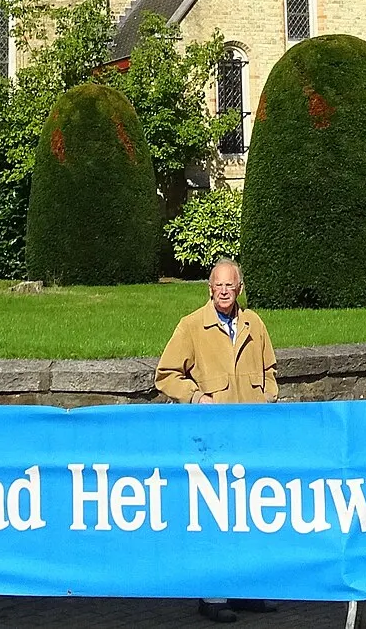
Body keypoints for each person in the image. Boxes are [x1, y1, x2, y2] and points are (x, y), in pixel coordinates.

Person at [155, 259, 278, 624]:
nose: (224, 291)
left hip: (249, 436)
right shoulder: (192, 326)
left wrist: (268, 395)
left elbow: (270, 371)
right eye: (218, 285)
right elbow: (166, 374)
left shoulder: (254, 324)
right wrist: (195, 398)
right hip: (211, 441)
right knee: (213, 516)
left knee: (249, 514)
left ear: (239, 288)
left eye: (231, 285)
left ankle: (246, 590)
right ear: (210, 288)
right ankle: (212, 596)